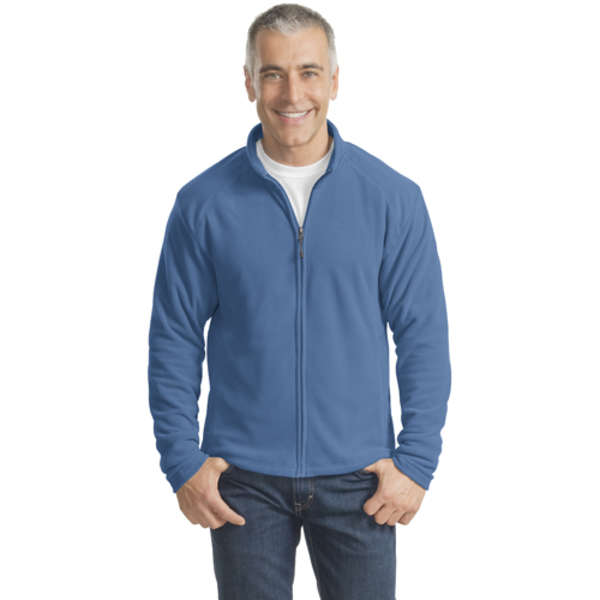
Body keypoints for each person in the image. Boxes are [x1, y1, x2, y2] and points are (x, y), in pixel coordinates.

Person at [147, 3, 451, 599]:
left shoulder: (393, 199)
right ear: (248, 82)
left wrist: (416, 461)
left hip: (362, 479)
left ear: (334, 80)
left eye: (309, 72)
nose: (292, 93)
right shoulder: (203, 204)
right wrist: (181, 460)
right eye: (273, 74)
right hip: (242, 482)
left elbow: (423, 336)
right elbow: (174, 336)